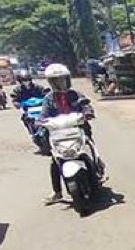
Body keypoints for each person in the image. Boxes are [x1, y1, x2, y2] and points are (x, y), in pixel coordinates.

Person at [40, 63, 96, 205]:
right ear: (51, 82)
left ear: (68, 79)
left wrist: (87, 112)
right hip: (59, 135)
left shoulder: (76, 94)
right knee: (54, 162)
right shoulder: (48, 99)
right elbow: (43, 115)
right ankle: (57, 192)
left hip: (78, 131)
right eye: (56, 80)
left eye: (62, 79)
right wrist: (40, 122)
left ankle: (96, 171)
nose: (60, 83)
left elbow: (86, 105)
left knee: (87, 151)